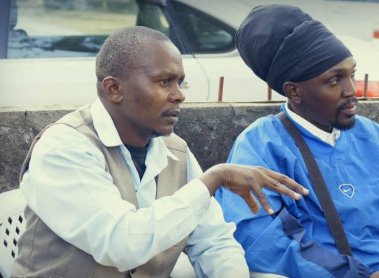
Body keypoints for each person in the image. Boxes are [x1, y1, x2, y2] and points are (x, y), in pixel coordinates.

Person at [12, 26, 308, 277]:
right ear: (114, 89)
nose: (179, 94)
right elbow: (121, 244)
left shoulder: (175, 150)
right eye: (164, 81)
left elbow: (213, 242)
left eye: (180, 81)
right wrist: (212, 180)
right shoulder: (65, 147)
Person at [215, 4, 379, 278]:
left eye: (351, 74)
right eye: (334, 80)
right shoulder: (262, 147)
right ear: (294, 91)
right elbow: (262, 239)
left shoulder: (374, 138)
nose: (352, 90)